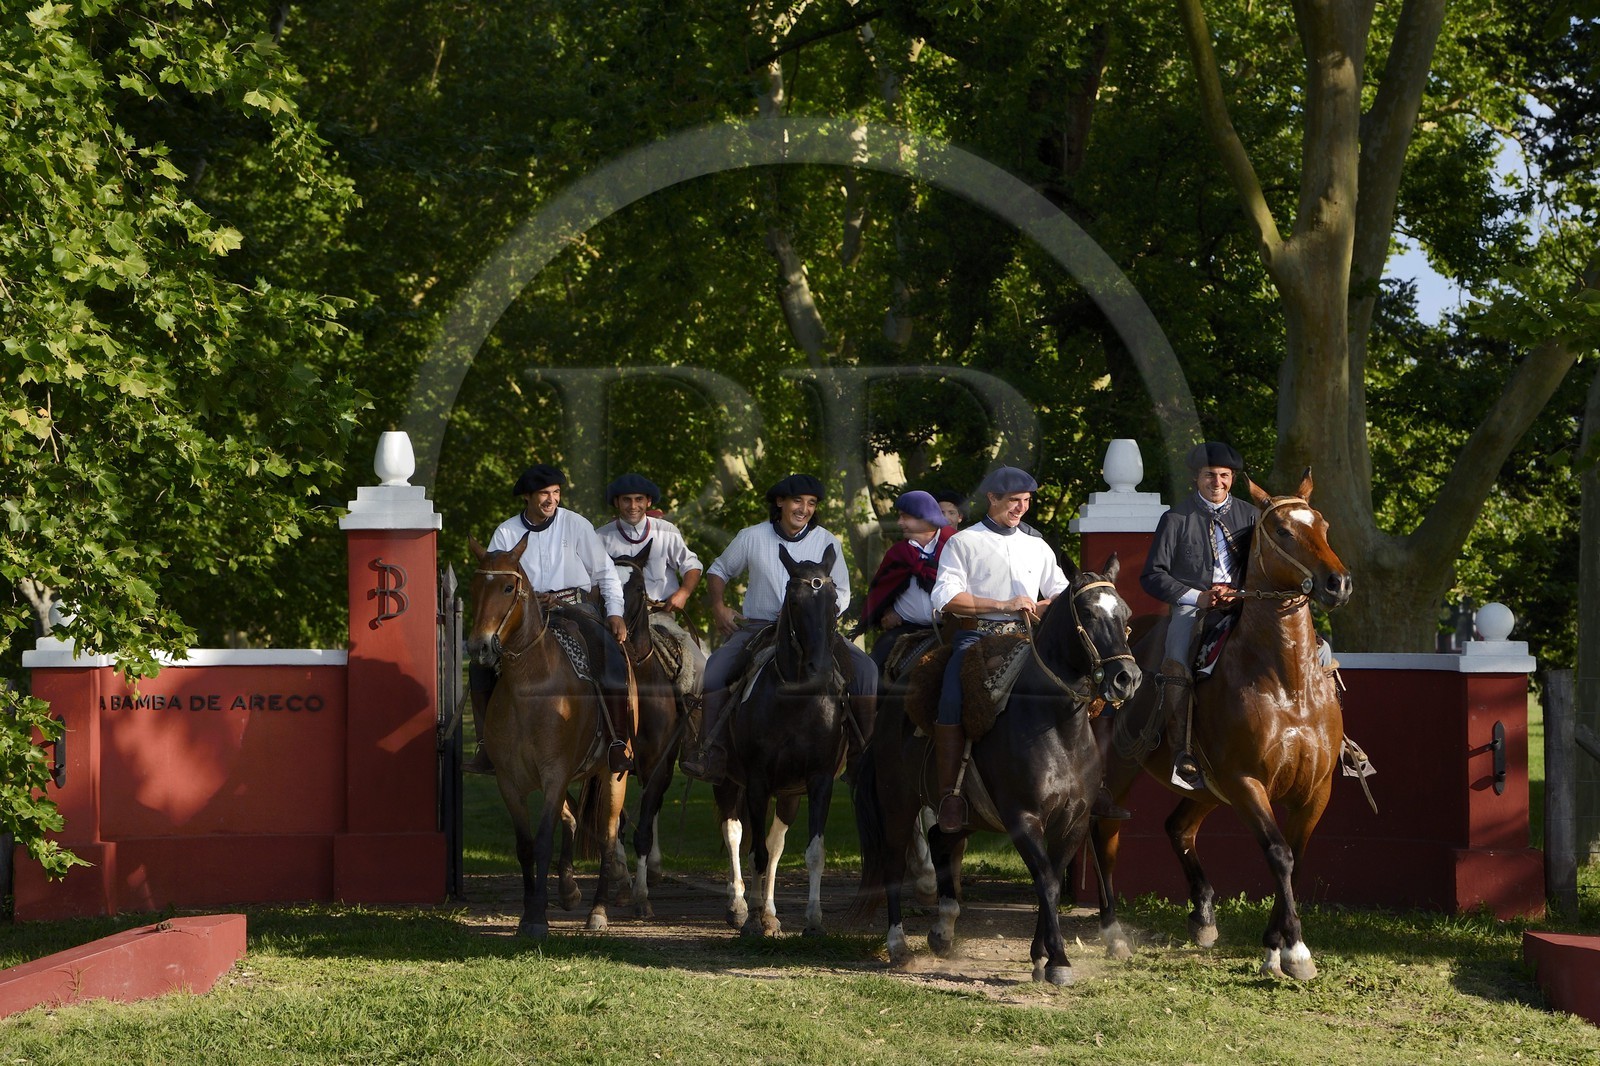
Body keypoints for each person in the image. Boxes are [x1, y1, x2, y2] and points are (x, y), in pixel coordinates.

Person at [680, 474, 879, 783]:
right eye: (798, 501)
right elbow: (718, 570)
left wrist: (823, 615)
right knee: (716, 668)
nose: (804, 509)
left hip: (815, 631)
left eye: (811, 504)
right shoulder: (751, 536)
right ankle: (711, 752)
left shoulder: (828, 541)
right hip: (761, 626)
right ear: (780, 502)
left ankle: (861, 757)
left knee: (866, 670)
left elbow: (842, 591)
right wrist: (719, 606)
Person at [928, 466, 1072, 832]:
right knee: (951, 695)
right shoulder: (964, 541)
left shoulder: (1037, 544)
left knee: (1083, 688)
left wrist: (1047, 607)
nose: (1021, 508)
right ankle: (951, 795)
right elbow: (946, 598)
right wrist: (1006, 604)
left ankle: (1090, 786)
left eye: (1026, 501)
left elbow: (1060, 592)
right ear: (992, 498)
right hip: (977, 636)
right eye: (1013, 501)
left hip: (1029, 638)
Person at [468, 463, 635, 776]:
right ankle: (485, 744)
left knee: (610, 655)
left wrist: (614, 612)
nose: (552, 499)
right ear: (528, 497)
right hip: (522, 617)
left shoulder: (576, 525)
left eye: (556, 493)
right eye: (544, 493)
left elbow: (605, 573)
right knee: (480, 664)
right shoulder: (506, 532)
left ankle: (616, 742)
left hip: (574, 607)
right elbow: (493, 583)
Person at [1140, 441, 1258, 791]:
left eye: (1224, 476)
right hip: (1192, 607)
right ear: (1196, 478)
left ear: (1232, 478)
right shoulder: (1176, 518)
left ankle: (1339, 742)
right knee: (1176, 659)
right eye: (1210, 475)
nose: (1217, 482)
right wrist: (1199, 596)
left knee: (1318, 649)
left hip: (1246, 604)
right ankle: (1181, 750)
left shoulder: (1252, 516)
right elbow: (1153, 575)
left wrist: (1241, 593)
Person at [594, 471, 705, 709]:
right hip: (614, 619)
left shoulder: (666, 530)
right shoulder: (600, 537)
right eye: (626, 500)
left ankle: (692, 733)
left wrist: (683, 593)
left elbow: (692, 565)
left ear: (648, 502)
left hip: (659, 616)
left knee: (701, 668)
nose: (633, 506)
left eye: (638, 500)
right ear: (616, 502)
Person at [862, 490, 954, 676]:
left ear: (925, 518)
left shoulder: (956, 545)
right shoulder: (897, 554)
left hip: (951, 629)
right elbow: (881, 591)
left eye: (905, 517)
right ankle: (862, 705)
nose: (899, 523)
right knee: (870, 670)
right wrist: (887, 612)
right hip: (906, 630)